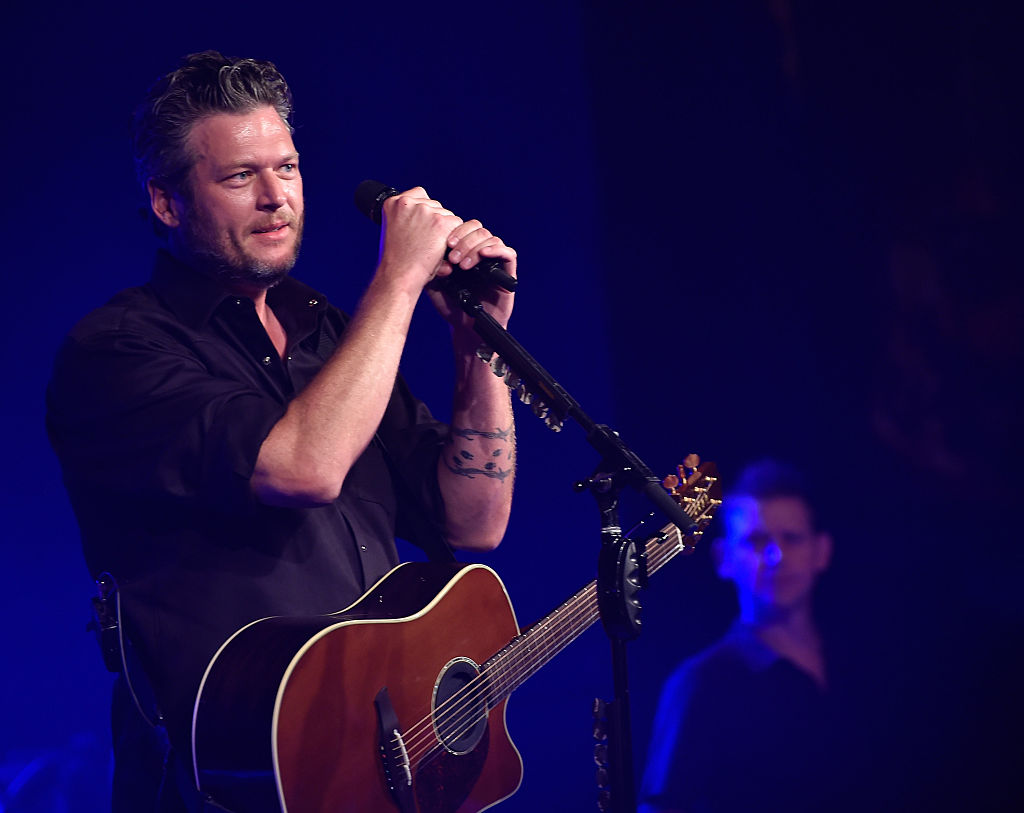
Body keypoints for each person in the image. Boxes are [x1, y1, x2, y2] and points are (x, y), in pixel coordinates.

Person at [46, 51, 516, 810]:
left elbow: (475, 519)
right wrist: (397, 281)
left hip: (372, 765)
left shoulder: (328, 333)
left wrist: (478, 347)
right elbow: (303, 467)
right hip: (232, 780)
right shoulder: (117, 350)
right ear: (166, 202)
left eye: (288, 169)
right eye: (240, 177)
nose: (276, 198)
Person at [639, 460, 850, 813]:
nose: (776, 556)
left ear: (822, 551)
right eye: (756, 540)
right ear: (723, 558)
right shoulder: (701, 683)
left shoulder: (864, 663)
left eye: (792, 538)